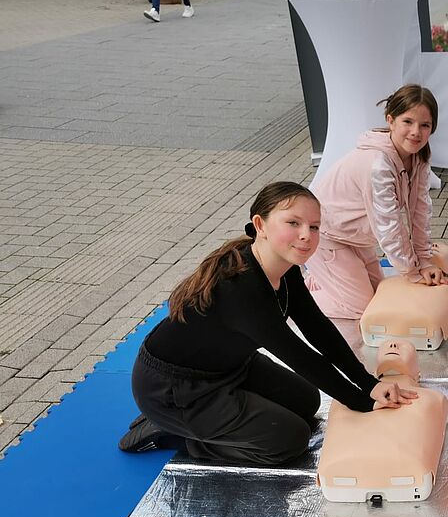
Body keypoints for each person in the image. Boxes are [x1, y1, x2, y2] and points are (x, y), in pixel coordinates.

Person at [118, 181, 417, 465]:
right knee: (288, 440)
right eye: (293, 223)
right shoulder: (242, 288)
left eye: (314, 227)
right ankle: (174, 433)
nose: (306, 235)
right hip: (175, 388)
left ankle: (190, 423)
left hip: (229, 366)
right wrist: (363, 403)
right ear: (260, 225)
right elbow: (301, 357)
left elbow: (317, 328)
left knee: (306, 401)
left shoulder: (283, 267)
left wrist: (370, 384)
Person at [304, 84, 445, 320]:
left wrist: (425, 260)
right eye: (407, 122)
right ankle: (288, 300)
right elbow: (389, 227)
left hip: (354, 238)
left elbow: (420, 212)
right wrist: (413, 272)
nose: (416, 132)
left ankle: (323, 279)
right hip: (324, 235)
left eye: (425, 125)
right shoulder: (377, 164)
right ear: (391, 120)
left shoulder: (419, 158)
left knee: (380, 294)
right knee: (362, 308)